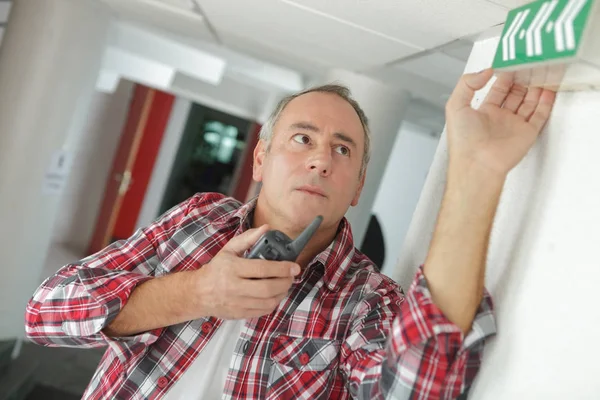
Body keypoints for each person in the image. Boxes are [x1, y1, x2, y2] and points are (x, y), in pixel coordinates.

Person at [25, 69, 556, 399]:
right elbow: (45, 313)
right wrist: (198, 291)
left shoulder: (366, 300)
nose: (322, 159)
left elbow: (416, 390)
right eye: (302, 139)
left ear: (356, 188)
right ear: (260, 158)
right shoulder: (198, 220)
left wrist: (475, 170)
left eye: (342, 150)